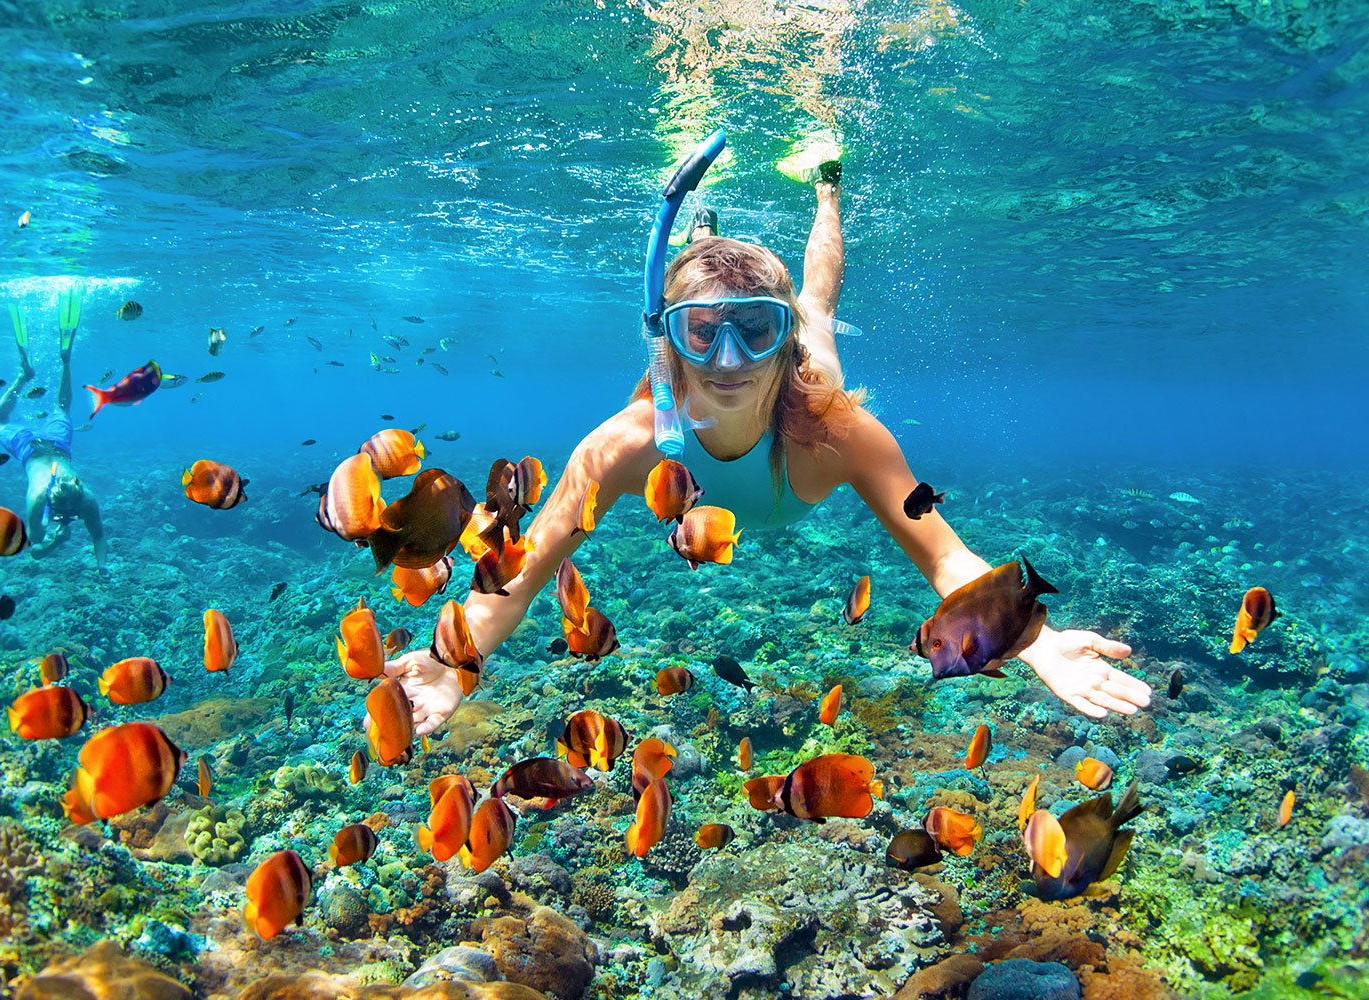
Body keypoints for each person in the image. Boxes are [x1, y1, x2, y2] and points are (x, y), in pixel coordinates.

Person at [383, 158, 1152, 735]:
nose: (729, 361)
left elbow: (946, 557)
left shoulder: (839, 433)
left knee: (817, 300)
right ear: (669, 344)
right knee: (724, 287)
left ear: (785, 343)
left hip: (808, 385)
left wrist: (1031, 637)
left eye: (757, 329)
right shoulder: (625, 445)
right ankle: (705, 239)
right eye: (701, 333)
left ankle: (826, 187)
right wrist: (454, 662)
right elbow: (521, 572)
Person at [0, 289, 107, 565]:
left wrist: (56, 542)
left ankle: (48, 367)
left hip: (54, 445)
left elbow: (35, 546)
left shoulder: (50, 498)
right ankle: (52, 365)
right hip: (31, 448)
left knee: (56, 410)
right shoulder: (48, 498)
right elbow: (40, 550)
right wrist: (57, 541)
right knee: (8, 418)